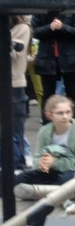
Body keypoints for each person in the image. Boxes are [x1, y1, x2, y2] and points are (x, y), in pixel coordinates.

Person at [14, 95, 75, 189]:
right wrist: (42, 163)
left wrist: (54, 162)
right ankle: (45, 189)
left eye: (68, 112)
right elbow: (38, 155)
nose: (65, 116)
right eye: (60, 113)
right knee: (20, 178)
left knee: (65, 180)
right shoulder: (44, 131)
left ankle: (46, 190)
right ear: (50, 115)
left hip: (74, 172)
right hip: (51, 170)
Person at [31, 11, 75, 123]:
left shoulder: (73, 9)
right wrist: (49, 27)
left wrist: (63, 27)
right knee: (48, 94)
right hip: (47, 58)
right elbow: (35, 31)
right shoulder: (40, 9)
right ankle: (47, 123)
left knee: (72, 92)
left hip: (70, 58)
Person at [11, 15, 31, 169]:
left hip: (14, 84)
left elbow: (13, 53)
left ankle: (18, 164)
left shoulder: (21, 28)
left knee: (15, 128)